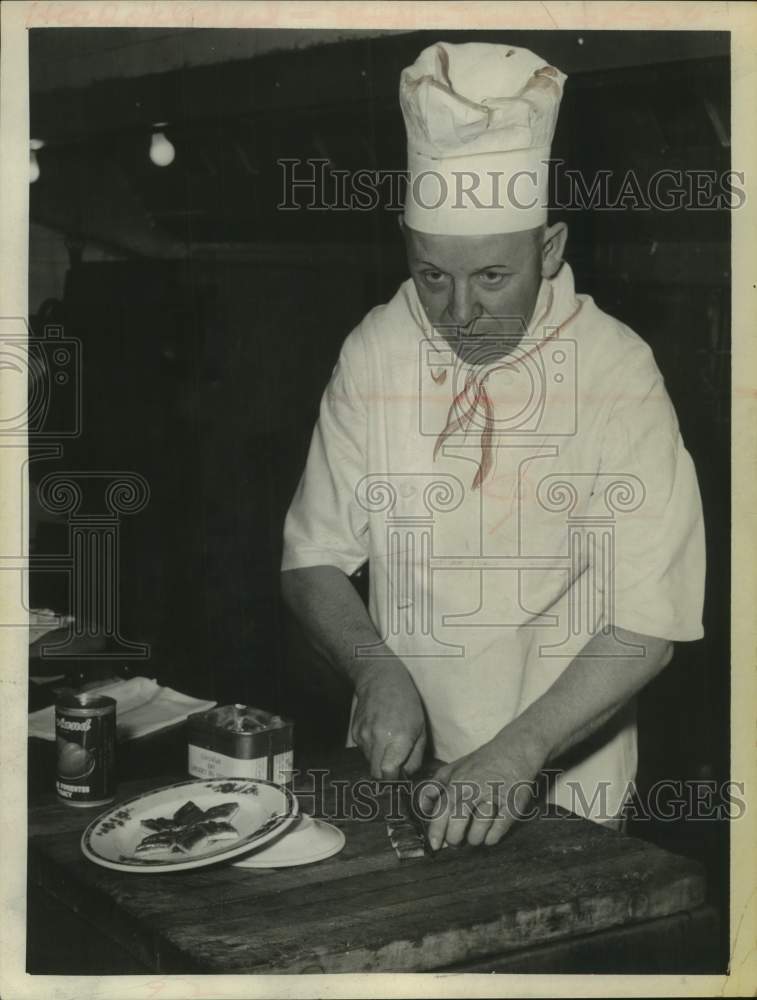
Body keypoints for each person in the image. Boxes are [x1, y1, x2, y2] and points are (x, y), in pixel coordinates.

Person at [281, 41, 705, 849]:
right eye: (432, 274)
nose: (458, 313)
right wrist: (371, 665)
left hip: (557, 782)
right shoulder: (375, 350)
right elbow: (312, 559)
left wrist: (518, 752)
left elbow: (648, 620)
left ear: (548, 251)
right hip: (394, 771)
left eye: (491, 279)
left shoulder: (618, 372)